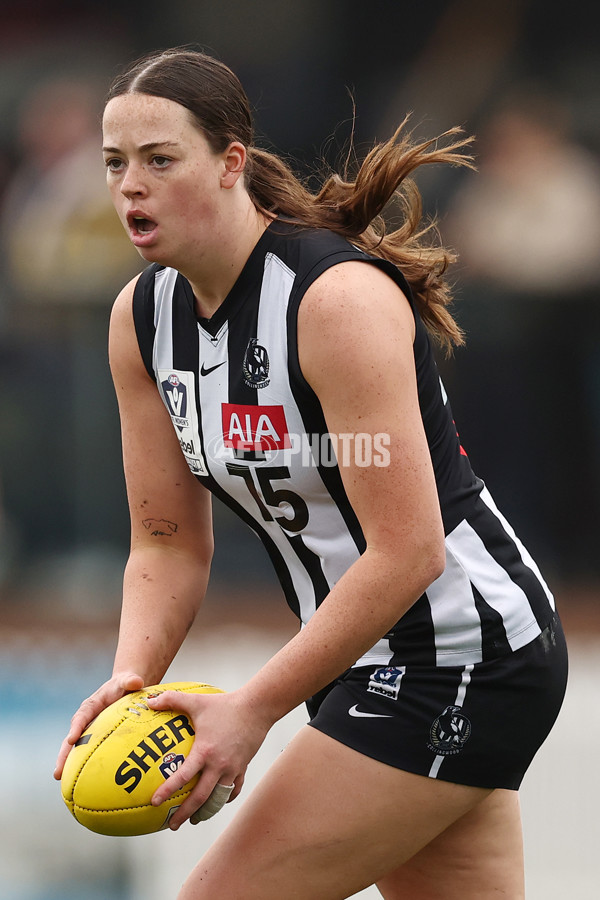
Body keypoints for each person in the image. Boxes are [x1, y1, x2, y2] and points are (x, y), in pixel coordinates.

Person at [54, 48, 568, 899]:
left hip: (462, 653)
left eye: (159, 160)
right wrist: (132, 678)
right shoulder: (141, 319)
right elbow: (166, 540)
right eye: (115, 164)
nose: (129, 187)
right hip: (359, 663)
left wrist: (250, 708)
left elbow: (410, 554)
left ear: (232, 165)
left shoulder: (334, 300)